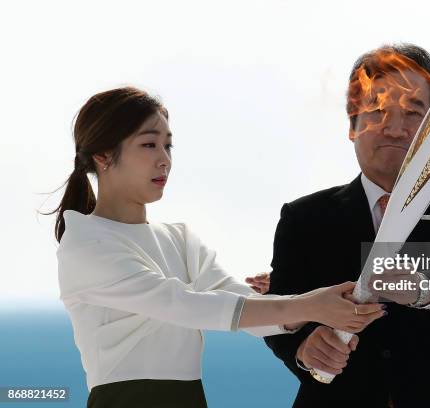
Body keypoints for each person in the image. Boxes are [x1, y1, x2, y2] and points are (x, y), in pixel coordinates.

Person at [46, 87, 386, 408]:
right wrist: (308, 305)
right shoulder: (84, 243)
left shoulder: (179, 239)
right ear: (103, 156)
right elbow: (185, 304)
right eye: (149, 145)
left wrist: (302, 299)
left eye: (168, 146)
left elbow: (247, 308)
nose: (164, 160)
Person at [263, 44, 430, 407]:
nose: (394, 128)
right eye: (376, 110)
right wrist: (303, 349)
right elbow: (281, 306)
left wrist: (423, 291)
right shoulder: (304, 217)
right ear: (352, 127)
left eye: (412, 112)